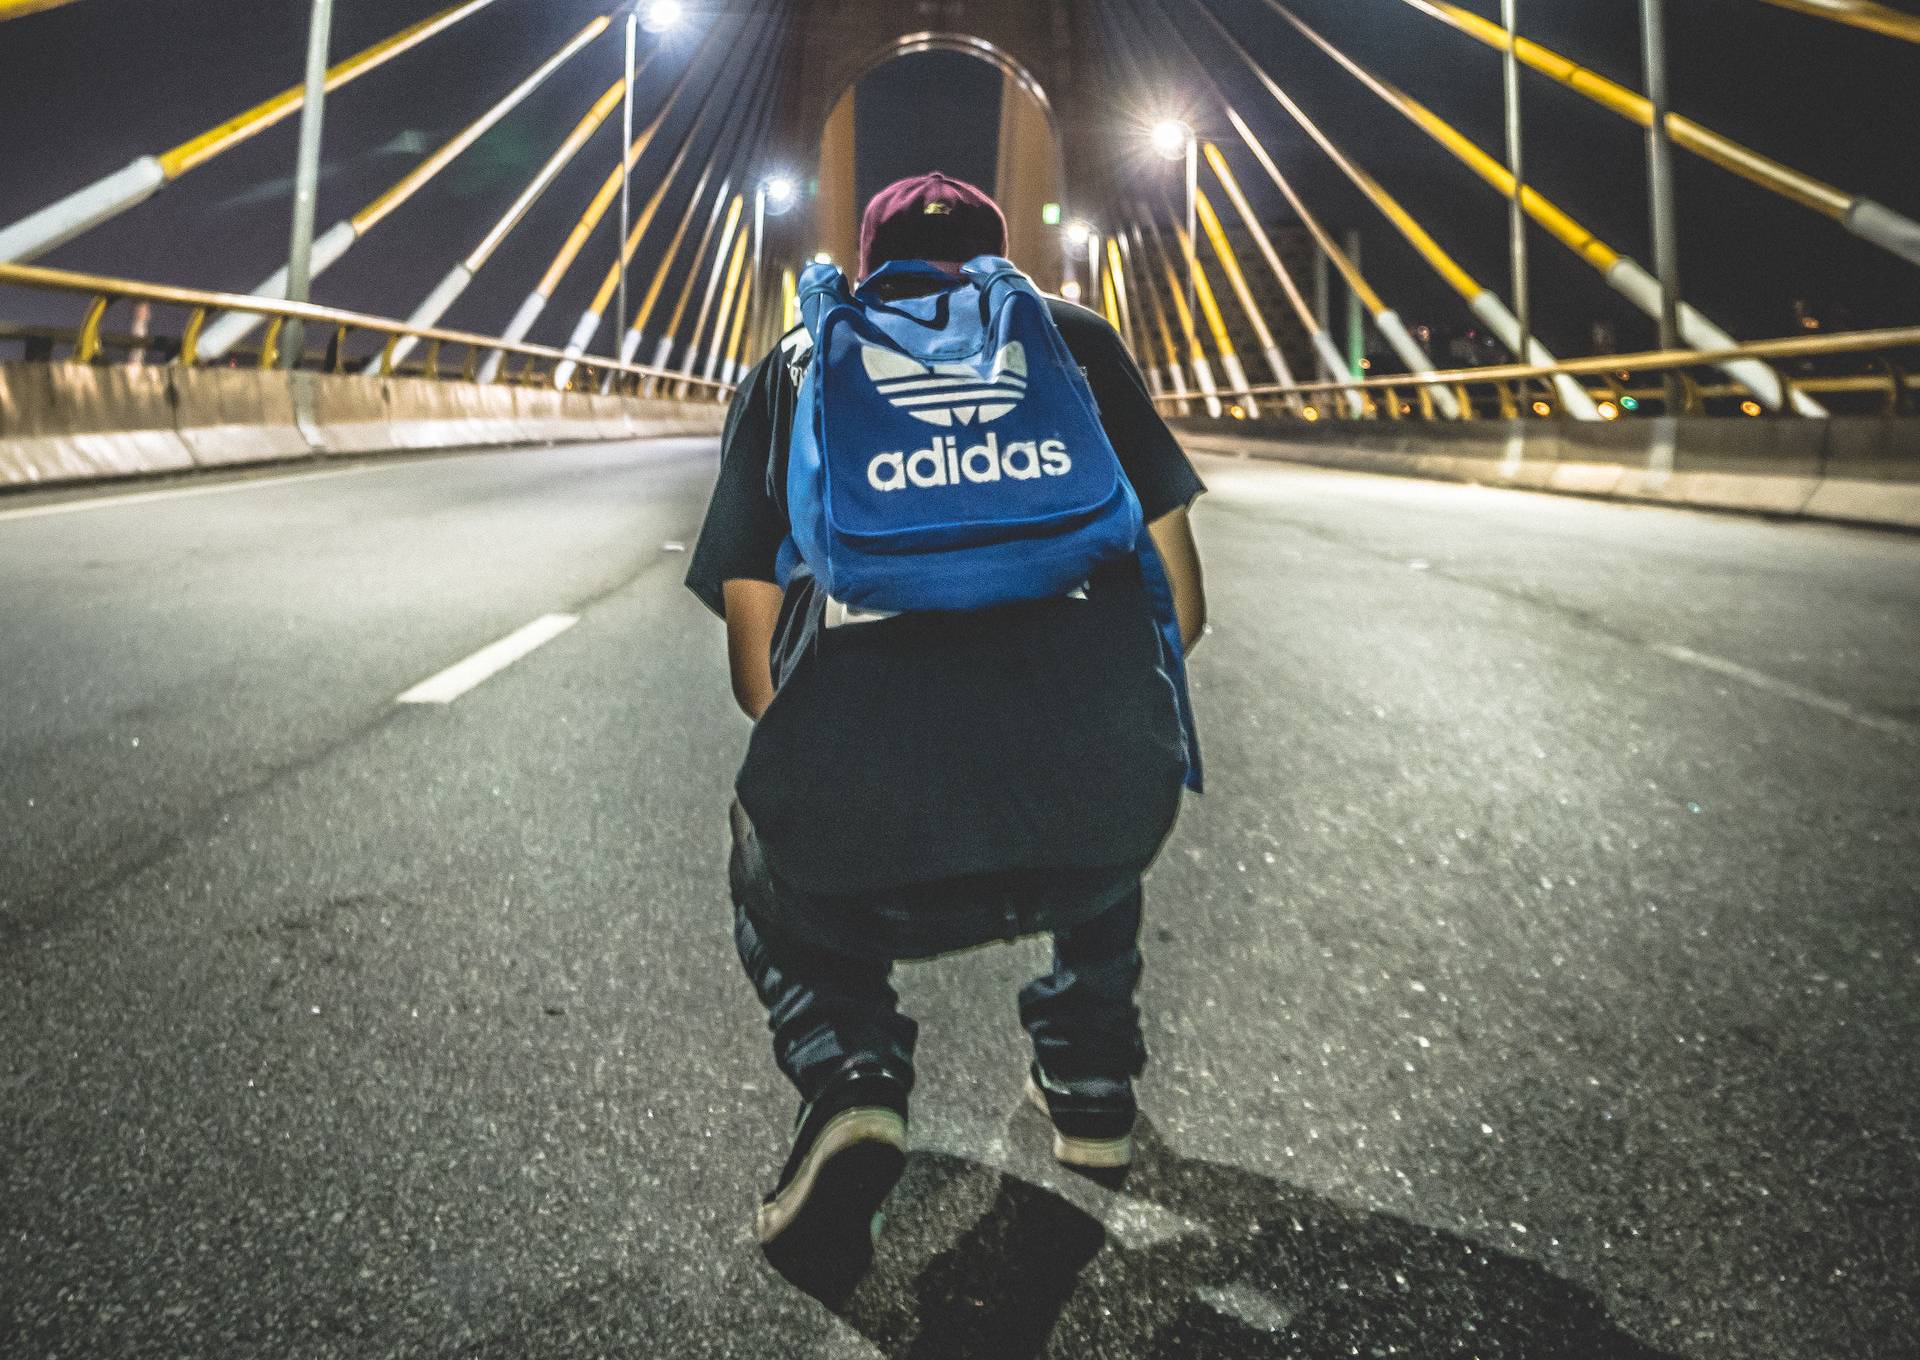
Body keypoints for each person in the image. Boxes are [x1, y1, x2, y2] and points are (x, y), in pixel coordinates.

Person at [685, 172, 1207, 1271]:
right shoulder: (1070, 341)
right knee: (1107, 716)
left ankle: (851, 1071)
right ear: (1001, 258)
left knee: (757, 824)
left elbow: (753, 674)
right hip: (1095, 837)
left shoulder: (798, 361)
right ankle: (1092, 1077)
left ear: (869, 264)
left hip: (860, 853)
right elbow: (1182, 616)